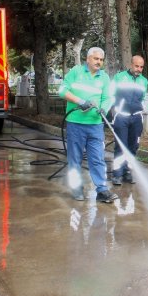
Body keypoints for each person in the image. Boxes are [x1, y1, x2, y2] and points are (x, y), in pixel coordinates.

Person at [59, 47, 118, 203]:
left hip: (96, 125)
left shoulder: (104, 77)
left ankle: (102, 190)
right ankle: (77, 188)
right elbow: (62, 90)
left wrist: (104, 109)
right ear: (88, 59)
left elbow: (108, 97)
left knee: (97, 158)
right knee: (75, 159)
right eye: (96, 58)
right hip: (75, 123)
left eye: (101, 60)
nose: (99, 62)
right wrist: (80, 102)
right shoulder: (76, 72)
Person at [110, 55, 148, 185]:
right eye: (137, 66)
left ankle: (127, 172)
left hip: (136, 118)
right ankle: (117, 174)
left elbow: (142, 98)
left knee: (133, 146)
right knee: (121, 146)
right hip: (121, 116)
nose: (139, 69)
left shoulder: (144, 81)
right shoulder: (119, 77)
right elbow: (111, 95)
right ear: (131, 65)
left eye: (141, 67)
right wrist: (112, 111)